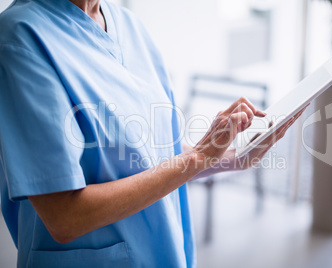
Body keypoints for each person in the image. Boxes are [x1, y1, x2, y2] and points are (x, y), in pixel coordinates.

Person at [0, 0, 305, 267]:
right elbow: (64, 217)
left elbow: (157, 157)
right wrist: (199, 157)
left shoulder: (130, 27)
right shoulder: (20, 36)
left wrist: (237, 157)